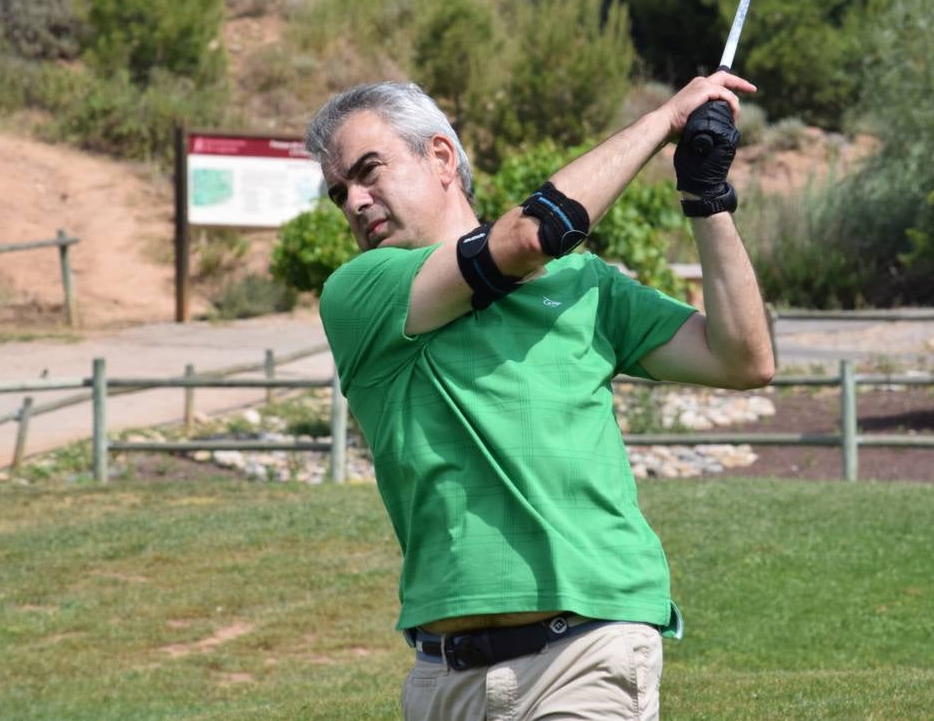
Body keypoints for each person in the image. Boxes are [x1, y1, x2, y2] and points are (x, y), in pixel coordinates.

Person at [307, 72, 773, 720]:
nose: (355, 201)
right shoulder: (362, 292)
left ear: (440, 156)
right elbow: (530, 237)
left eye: (369, 171)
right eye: (340, 192)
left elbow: (744, 358)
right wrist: (664, 121)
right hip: (443, 678)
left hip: (587, 653)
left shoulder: (586, 286)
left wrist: (707, 197)